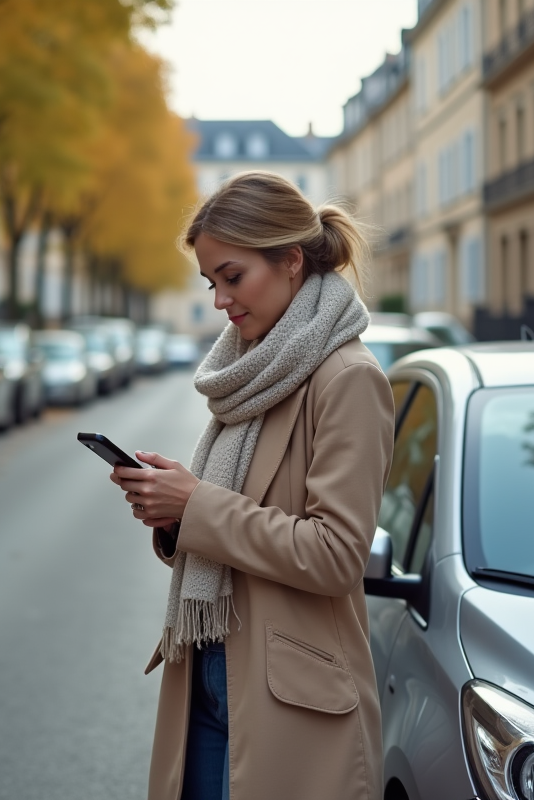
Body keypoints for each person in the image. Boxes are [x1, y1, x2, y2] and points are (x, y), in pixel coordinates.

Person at [109, 171, 395, 800]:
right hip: (208, 675)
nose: (219, 300)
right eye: (211, 283)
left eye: (232, 277)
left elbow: (336, 554)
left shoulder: (346, 379)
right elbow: (239, 516)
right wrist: (172, 513)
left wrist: (197, 504)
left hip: (290, 700)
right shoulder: (254, 370)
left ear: (291, 261)